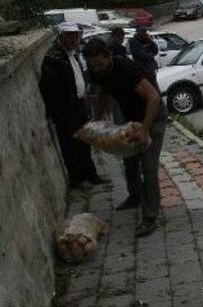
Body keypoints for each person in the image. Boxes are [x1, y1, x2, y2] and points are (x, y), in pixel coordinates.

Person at [83, 39, 167, 237]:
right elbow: (103, 92)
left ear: (108, 57)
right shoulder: (99, 72)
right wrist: (97, 121)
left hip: (152, 118)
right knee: (129, 161)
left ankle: (149, 217)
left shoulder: (125, 69)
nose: (96, 69)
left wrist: (145, 129)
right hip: (130, 118)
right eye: (92, 66)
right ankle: (134, 197)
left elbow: (153, 97)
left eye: (100, 64)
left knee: (148, 166)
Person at [39, 22, 105, 189]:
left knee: (85, 142)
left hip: (79, 104)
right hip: (65, 109)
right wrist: (59, 112)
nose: (75, 39)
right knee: (70, 145)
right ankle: (77, 179)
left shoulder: (73, 54)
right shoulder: (53, 58)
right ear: (61, 37)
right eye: (70, 36)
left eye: (76, 36)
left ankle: (91, 174)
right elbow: (49, 89)